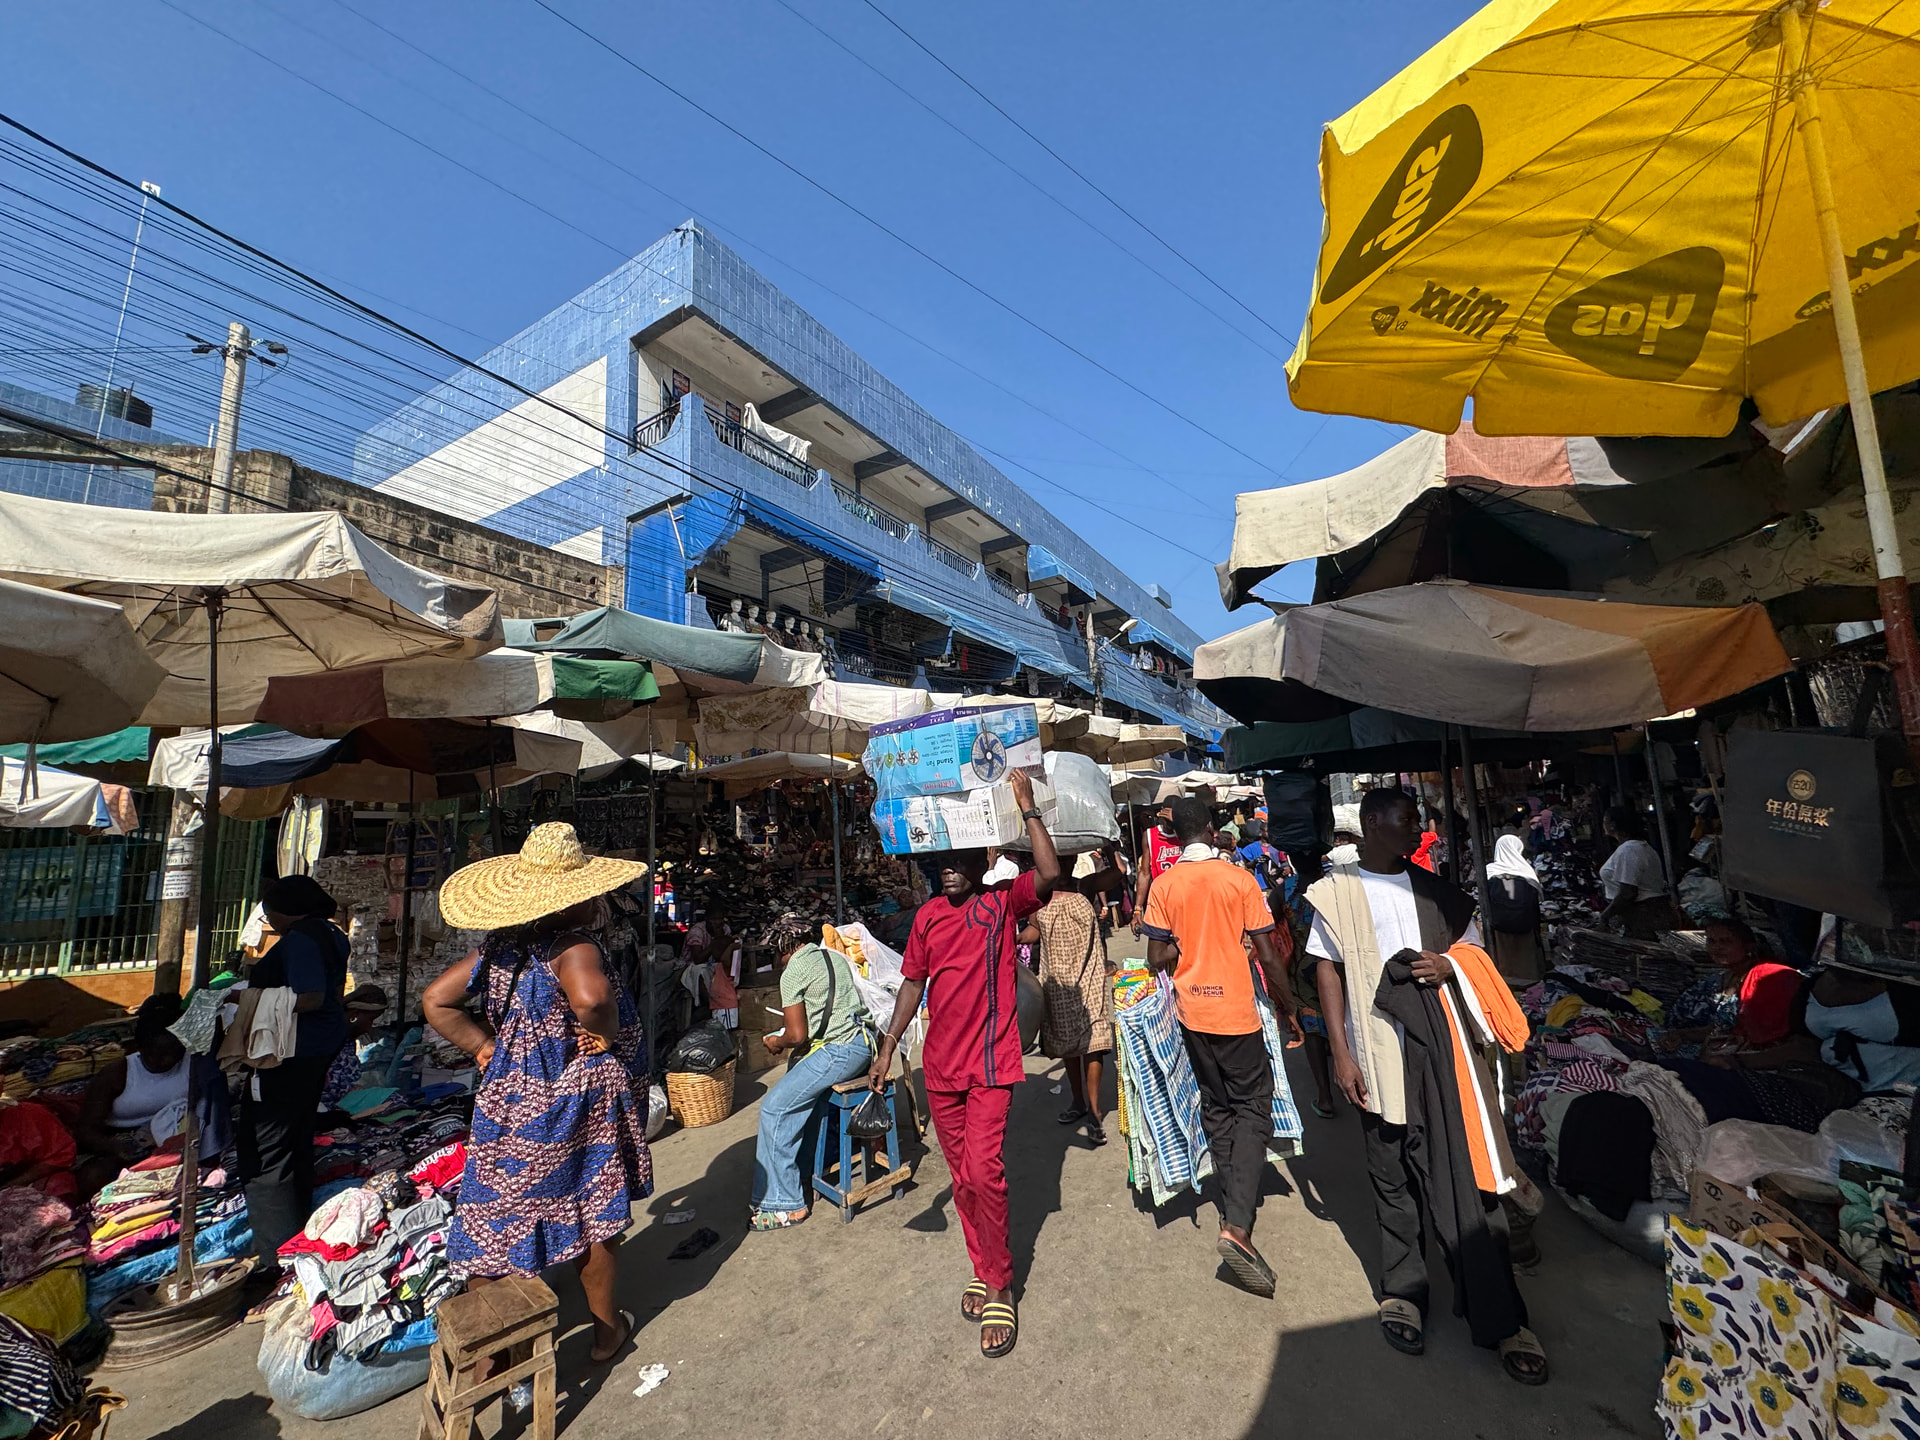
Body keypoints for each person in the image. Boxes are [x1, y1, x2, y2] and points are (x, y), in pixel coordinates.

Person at [1306, 788, 1546, 1385]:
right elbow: (1327, 971)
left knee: (1466, 1178)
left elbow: (1474, 951)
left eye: (1418, 818)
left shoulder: (1438, 893)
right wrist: (1341, 1053)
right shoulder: (1336, 893)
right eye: (1407, 818)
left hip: (1443, 1054)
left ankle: (1503, 1315)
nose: (1419, 828)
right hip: (1374, 1054)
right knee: (1391, 1176)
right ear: (1371, 823)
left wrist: (1449, 964)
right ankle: (1405, 1290)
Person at [424, 823, 652, 1371]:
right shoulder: (575, 947)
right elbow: (592, 998)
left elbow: (436, 1000)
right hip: (574, 1099)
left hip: (506, 1102)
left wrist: (483, 1047)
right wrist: (606, 1031)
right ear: (578, 899)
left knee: (494, 1216)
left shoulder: (500, 947)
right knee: (593, 1212)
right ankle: (606, 1334)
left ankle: (491, 1350)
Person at [869, 768, 1061, 1360]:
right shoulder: (927, 918)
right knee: (961, 1179)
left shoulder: (1001, 905)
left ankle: (1001, 1282)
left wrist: (1027, 805)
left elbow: (1049, 874)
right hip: (941, 1069)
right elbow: (912, 983)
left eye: (960, 859)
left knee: (984, 1173)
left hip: (993, 1064)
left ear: (983, 858)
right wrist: (888, 1045)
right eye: (941, 860)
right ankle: (982, 1266)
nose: (949, 869)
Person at [1141, 797, 1302, 1297]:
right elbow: (1268, 953)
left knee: (1217, 1106)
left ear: (1174, 837)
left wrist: (1185, 939)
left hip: (1192, 1013)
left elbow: (1155, 955)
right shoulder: (1238, 880)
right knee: (1253, 1107)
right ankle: (1238, 1224)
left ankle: (1232, 1202)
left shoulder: (1166, 884)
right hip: (1235, 1011)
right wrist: (1289, 1005)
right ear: (1213, 830)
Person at [239, 875, 350, 1263]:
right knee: (294, 1140)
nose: (269, 921)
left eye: (269, 913)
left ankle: (276, 1253)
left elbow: (311, 996)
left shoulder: (301, 940)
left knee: (265, 1151)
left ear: (286, 910)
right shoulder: (331, 934)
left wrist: (249, 1000)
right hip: (314, 1049)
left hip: (288, 1054)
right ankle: (296, 1236)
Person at [748, 919, 875, 1230]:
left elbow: (796, 1035)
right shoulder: (833, 957)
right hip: (862, 1044)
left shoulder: (793, 971)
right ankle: (806, 1166)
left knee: (774, 1109)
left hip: (839, 1051)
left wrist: (775, 1042)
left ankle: (786, 1204)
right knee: (800, 1086)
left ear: (783, 948)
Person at [1021, 871, 1115, 1148]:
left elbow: (1119, 873)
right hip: (1057, 979)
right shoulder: (1040, 894)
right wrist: (1013, 939)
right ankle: (1078, 1101)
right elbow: (1034, 931)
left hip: (1089, 974)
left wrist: (1111, 849)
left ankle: (1094, 1111)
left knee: (1094, 1042)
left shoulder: (1085, 885)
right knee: (1068, 1046)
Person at [72, 994, 189, 1198]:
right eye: (155, 1054)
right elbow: (85, 1129)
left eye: (172, 1053)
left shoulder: (192, 1064)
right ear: (139, 1047)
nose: (164, 1061)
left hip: (173, 1135)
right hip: (120, 1140)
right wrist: (114, 1147)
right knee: (93, 1177)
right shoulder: (118, 1073)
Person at [1658, 918, 1801, 1054]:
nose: (1717, 947)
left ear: (1748, 947)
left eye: (1726, 941)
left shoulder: (1766, 978)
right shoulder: (1714, 982)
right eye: (1712, 941)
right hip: (1712, 1046)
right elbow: (1710, 1028)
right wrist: (1680, 1035)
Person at [1599, 806, 1676, 938]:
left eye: (1604, 821)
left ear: (1612, 825)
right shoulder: (1638, 847)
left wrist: (1605, 916)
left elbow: (1628, 892)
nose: (1603, 825)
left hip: (1644, 916)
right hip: (1646, 914)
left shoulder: (1629, 849)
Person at [1483, 834, 1545, 981]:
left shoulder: (1489, 871)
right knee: (1526, 964)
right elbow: (1535, 905)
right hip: (1525, 929)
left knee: (1504, 964)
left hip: (1500, 929)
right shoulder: (1526, 871)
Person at [319, 985, 390, 1113]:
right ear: (355, 1015)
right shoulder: (330, 1038)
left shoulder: (347, 1041)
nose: (370, 1028)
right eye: (371, 1020)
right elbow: (331, 1085)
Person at [1131, 803, 1180, 934]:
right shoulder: (1150, 835)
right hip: (1161, 901)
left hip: (1184, 900)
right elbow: (1144, 873)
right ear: (1161, 815)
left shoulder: (1186, 834)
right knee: (1158, 943)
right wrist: (1137, 909)